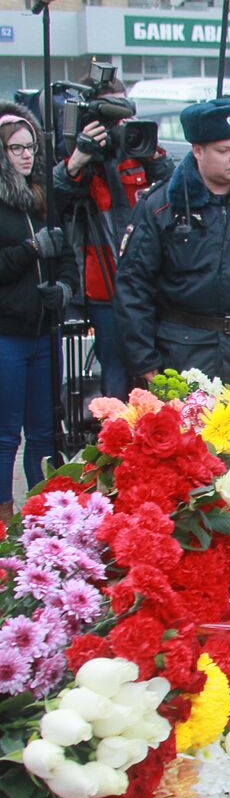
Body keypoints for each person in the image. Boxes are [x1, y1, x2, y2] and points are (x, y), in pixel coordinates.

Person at [115, 97, 230, 385]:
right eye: (223, 150)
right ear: (198, 150)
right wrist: (144, 359)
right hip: (184, 352)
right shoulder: (162, 206)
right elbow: (134, 285)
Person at [51, 74, 172, 399]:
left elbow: (175, 193)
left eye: (126, 117)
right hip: (105, 290)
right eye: (114, 120)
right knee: (116, 382)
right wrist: (79, 156)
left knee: (161, 377)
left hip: (153, 286)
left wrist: (152, 155)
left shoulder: (140, 149)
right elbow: (53, 204)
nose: (122, 126)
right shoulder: (84, 160)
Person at [0, 103, 78, 521]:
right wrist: (29, 251)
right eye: (16, 149)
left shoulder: (43, 197)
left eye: (30, 147)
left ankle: (43, 513)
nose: (26, 156)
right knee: (5, 434)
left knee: (45, 432)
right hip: (7, 333)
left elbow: (66, 254)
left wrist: (64, 289)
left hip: (44, 331)